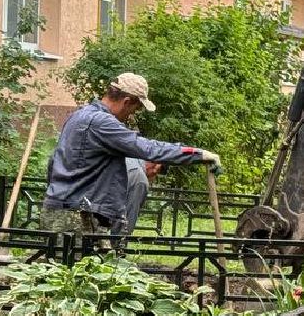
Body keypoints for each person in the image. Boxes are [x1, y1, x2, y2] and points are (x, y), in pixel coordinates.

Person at [42, 73, 220, 238]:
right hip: (78, 219)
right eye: (135, 109)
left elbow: (54, 162)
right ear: (127, 101)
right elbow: (148, 149)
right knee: (79, 270)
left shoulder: (78, 116)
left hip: (63, 211)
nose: (131, 115)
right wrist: (197, 154)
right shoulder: (103, 123)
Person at [112, 158, 163, 242]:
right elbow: (129, 216)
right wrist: (120, 246)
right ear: (156, 165)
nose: (153, 177)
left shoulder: (129, 158)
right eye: (157, 173)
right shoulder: (140, 180)